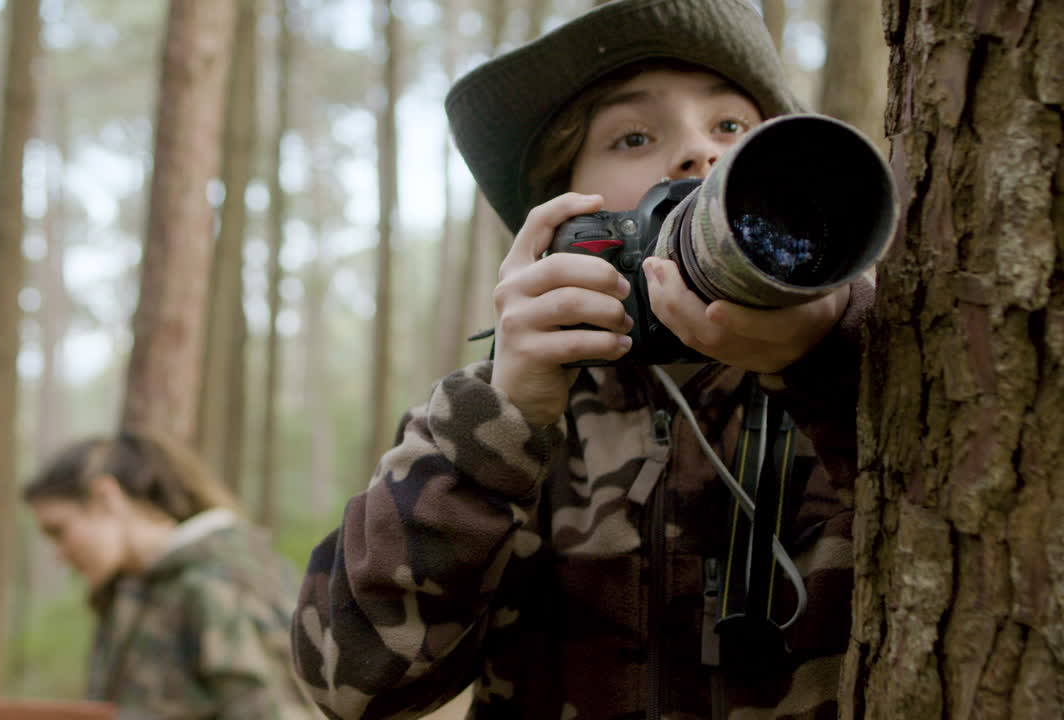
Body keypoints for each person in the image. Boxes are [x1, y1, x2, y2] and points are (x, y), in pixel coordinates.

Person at [290, 1, 875, 718]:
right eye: (634, 136)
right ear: (564, 218)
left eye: (731, 126)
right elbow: (351, 685)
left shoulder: (873, 361)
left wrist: (831, 360)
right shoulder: (496, 416)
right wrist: (505, 426)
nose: (700, 153)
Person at [24, 427, 323, 720]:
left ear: (106, 496)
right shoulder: (134, 591)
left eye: (58, 531)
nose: (59, 554)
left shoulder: (223, 585)